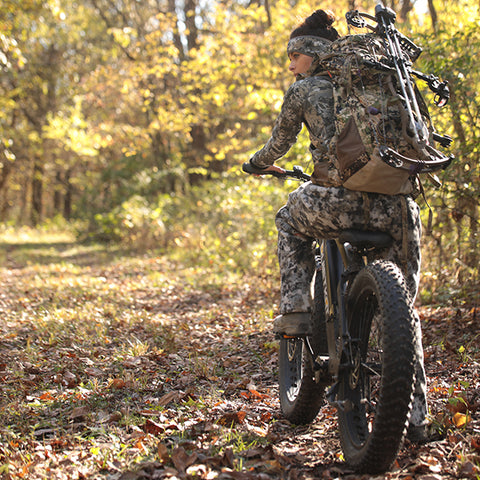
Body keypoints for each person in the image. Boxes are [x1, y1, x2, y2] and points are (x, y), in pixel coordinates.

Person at [247, 9, 429, 442]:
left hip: (339, 201)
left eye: (293, 55)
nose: (291, 65)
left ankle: (296, 314)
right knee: (402, 310)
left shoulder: (305, 90)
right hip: (398, 207)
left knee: (288, 219)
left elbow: (278, 143)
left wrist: (258, 163)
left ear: (309, 55)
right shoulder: (383, 82)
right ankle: (418, 418)